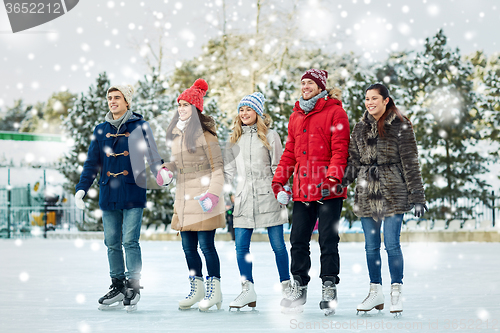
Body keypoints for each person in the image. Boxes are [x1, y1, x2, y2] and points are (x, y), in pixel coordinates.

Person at [75, 84, 163, 312]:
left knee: (130, 241)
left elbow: (153, 155)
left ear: (127, 102)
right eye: (110, 98)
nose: (112, 101)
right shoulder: (100, 130)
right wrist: (82, 188)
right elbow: (92, 163)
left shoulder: (140, 126)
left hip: (132, 190)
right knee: (112, 243)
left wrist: (161, 172)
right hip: (108, 193)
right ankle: (118, 285)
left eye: (117, 97)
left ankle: (133, 285)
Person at [341, 83, 426, 316]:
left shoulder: (401, 126)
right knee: (371, 247)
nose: (370, 102)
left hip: (393, 191)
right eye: (367, 98)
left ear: (386, 100)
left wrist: (417, 196)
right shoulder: (359, 128)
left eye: (374, 98)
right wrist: (338, 183)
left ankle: (396, 291)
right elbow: (353, 162)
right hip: (367, 192)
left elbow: (410, 163)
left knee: (391, 244)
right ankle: (375, 291)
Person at [272, 69, 350, 315]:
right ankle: (300, 285)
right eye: (303, 82)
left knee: (328, 240)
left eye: (310, 83)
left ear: (320, 87)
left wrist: (332, 177)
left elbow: (340, 149)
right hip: (302, 190)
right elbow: (289, 153)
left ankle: (329, 285)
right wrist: (279, 182)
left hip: (329, 190)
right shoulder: (296, 116)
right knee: (298, 240)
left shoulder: (335, 112)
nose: (305, 86)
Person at [157, 79, 225, 312]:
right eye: (180, 104)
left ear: (196, 108)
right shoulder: (177, 134)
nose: (181, 108)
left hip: (203, 196)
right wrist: (167, 170)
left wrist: (213, 195)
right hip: (185, 198)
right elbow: (179, 163)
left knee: (206, 246)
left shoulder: (207, 135)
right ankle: (196, 289)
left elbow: (218, 167)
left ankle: (214, 291)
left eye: (186, 104)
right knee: (188, 248)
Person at [224, 92, 291, 311]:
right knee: (241, 246)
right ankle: (247, 289)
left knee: (278, 245)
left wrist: (281, 189)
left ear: (258, 113)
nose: (244, 113)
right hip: (243, 199)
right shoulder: (234, 138)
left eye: (248, 109)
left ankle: (287, 287)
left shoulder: (271, 136)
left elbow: (278, 167)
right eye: (241, 109)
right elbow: (229, 171)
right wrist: (224, 195)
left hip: (269, 196)